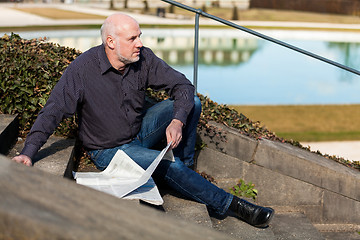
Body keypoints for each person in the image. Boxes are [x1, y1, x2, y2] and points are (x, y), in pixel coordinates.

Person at [12, 13, 274, 227]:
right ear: (111, 42)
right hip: (110, 149)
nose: (139, 43)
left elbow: (183, 86)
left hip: (139, 131)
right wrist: (28, 152)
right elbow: (53, 110)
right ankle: (231, 206)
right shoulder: (82, 70)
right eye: (133, 38)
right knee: (171, 168)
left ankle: (184, 168)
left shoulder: (143, 58)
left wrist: (177, 121)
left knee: (190, 104)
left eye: (140, 36)